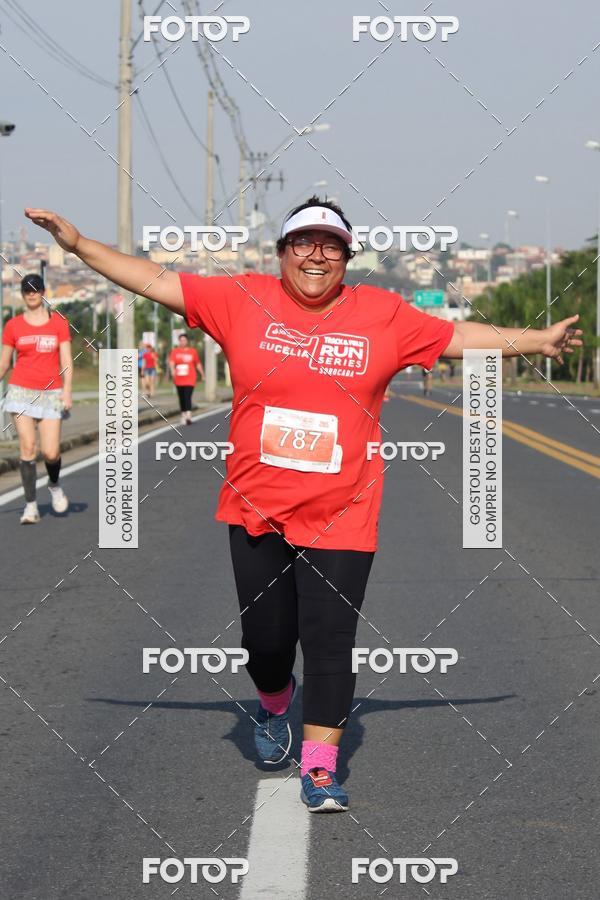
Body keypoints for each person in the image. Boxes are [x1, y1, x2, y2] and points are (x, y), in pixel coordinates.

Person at [25, 198, 582, 812]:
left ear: (347, 256)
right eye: (304, 242)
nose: (317, 254)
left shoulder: (383, 314)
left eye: (332, 245)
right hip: (255, 505)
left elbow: (460, 337)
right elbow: (153, 278)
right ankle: (272, 702)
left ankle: (320, 770)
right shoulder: (241, 298)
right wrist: (78, 245)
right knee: (265, 643)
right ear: (282, 253)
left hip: (345, 508)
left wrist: (539, 339)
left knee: (329, 640)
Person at [0, 273, 72, 523]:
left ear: (43, 292)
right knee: (28, 447)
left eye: (36, 289)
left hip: (52, 391)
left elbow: (66, 361)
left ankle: (54, 485)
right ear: (22, 294)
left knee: (51, 453)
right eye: (27, 290)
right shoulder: (13, 325)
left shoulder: (58, 323)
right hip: (21, 390)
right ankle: (30, 505)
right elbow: (4, 362)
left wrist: (67, 391)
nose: (31, 294)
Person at [169, 333, 204, 425]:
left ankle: (188, 415)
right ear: (179, 341)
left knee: (187, 396)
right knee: (181, 397)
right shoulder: (175, 351)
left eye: (184, 340)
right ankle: (183, 414)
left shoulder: (193, 351)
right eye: (181, 340)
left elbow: (198, 364)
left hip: (190, 378)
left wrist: (202, 374)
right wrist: (172, 371)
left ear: (187, 341)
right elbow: (172, 362)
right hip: (179, 378)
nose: (182, 342)